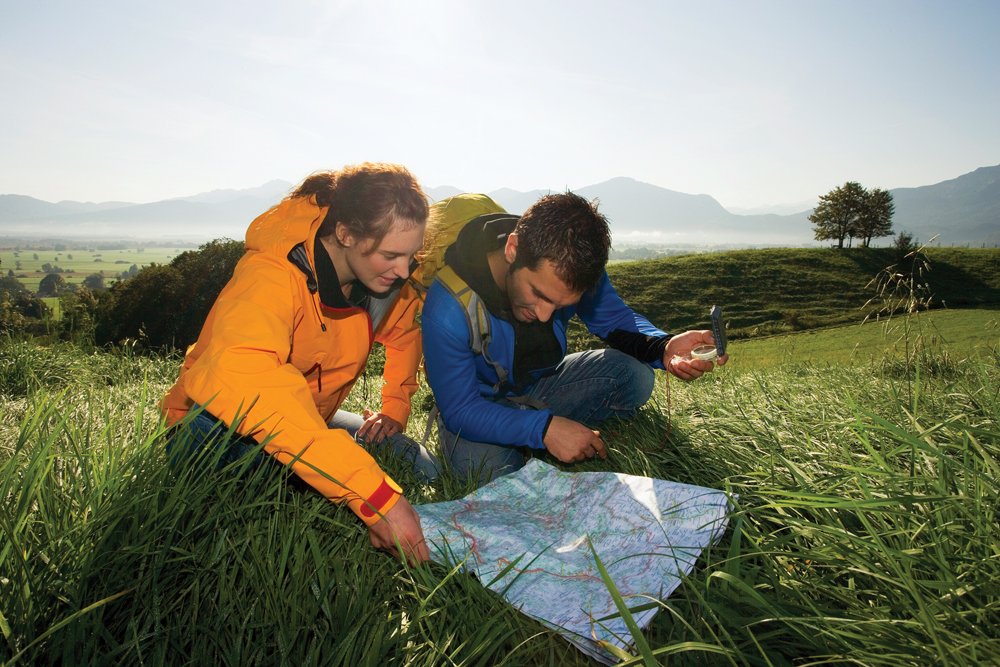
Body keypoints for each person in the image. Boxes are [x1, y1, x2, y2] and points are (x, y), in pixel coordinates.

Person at [161, 163, 436, 565]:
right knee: (273, 498)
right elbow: (245, 381)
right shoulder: (270, 273)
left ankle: (309, 479)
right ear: (345, 234)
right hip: (215, 427)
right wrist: (376, 498)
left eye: (411, 256)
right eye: (391, 255)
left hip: (308, 419)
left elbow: (406, 334)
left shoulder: (386, 285)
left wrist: (395, 407)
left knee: (419, 465)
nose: (403, 270)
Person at [421, 191, 727, 485]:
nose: (544, 315)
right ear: (512, 250)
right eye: (538, 294)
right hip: (477, 405)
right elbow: (460, 409)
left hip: (537, 386)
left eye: (560, 306)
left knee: (634, 376)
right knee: (487, 471)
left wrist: (663, 346)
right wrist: (543, 430)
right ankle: (529, 438)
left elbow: (614, 319)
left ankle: (533, 433)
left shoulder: (574, 268)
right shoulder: (447, 306)